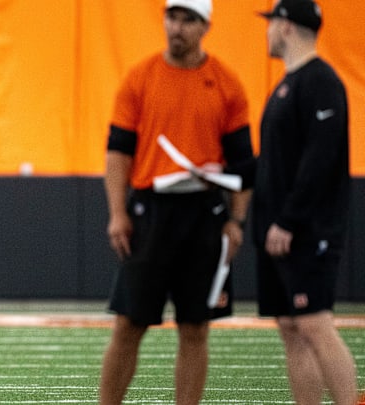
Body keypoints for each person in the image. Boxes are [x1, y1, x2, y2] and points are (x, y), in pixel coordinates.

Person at [99, 0, 256, 404]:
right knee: (129, 324)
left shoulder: (227, 84)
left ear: (205, 26)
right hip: (150, 212)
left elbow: (242, 163)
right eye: (173, 17)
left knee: (195, 326)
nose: (178, 27)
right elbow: (118, 151)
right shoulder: (141, 78)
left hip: (204, 214)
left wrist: (235, 222)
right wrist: (118, 213)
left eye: (189, 20)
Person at [254, 1, 358, 404]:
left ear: (286, 27)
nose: (266, 32)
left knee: (314, 324)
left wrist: (290, 220)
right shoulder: (285, 86)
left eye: (270, 24)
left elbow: (321, 157)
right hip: (279, 230)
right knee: (291, 328)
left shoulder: (320, 81)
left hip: (306, 230)